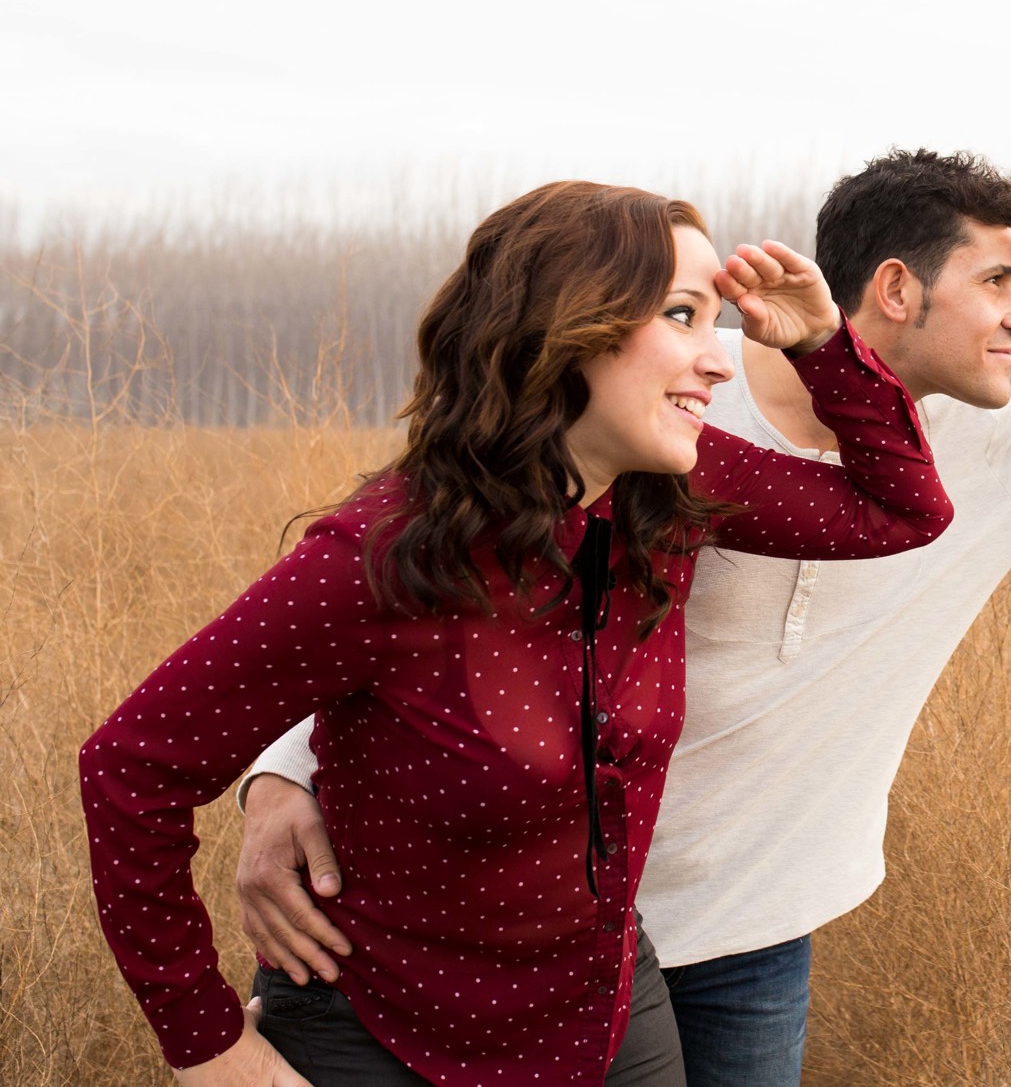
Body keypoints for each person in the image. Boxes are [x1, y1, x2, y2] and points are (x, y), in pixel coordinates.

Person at [238, 149, 1011, 1085]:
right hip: (521, 910)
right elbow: (437, 574)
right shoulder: (678, 394)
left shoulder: (998, 453)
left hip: (753, 927)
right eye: (997, 282)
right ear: (896, 288)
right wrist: (283, 774)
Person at [80, 181, 952, 1087]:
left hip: (605, 1013)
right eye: (684, 316)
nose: (720, 362)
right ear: (572, 328)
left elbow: (902, 511)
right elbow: (129, 768)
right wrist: (210, 1047)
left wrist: (821, 344)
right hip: (378, 1028)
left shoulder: (668, 495)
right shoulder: (380, 558)